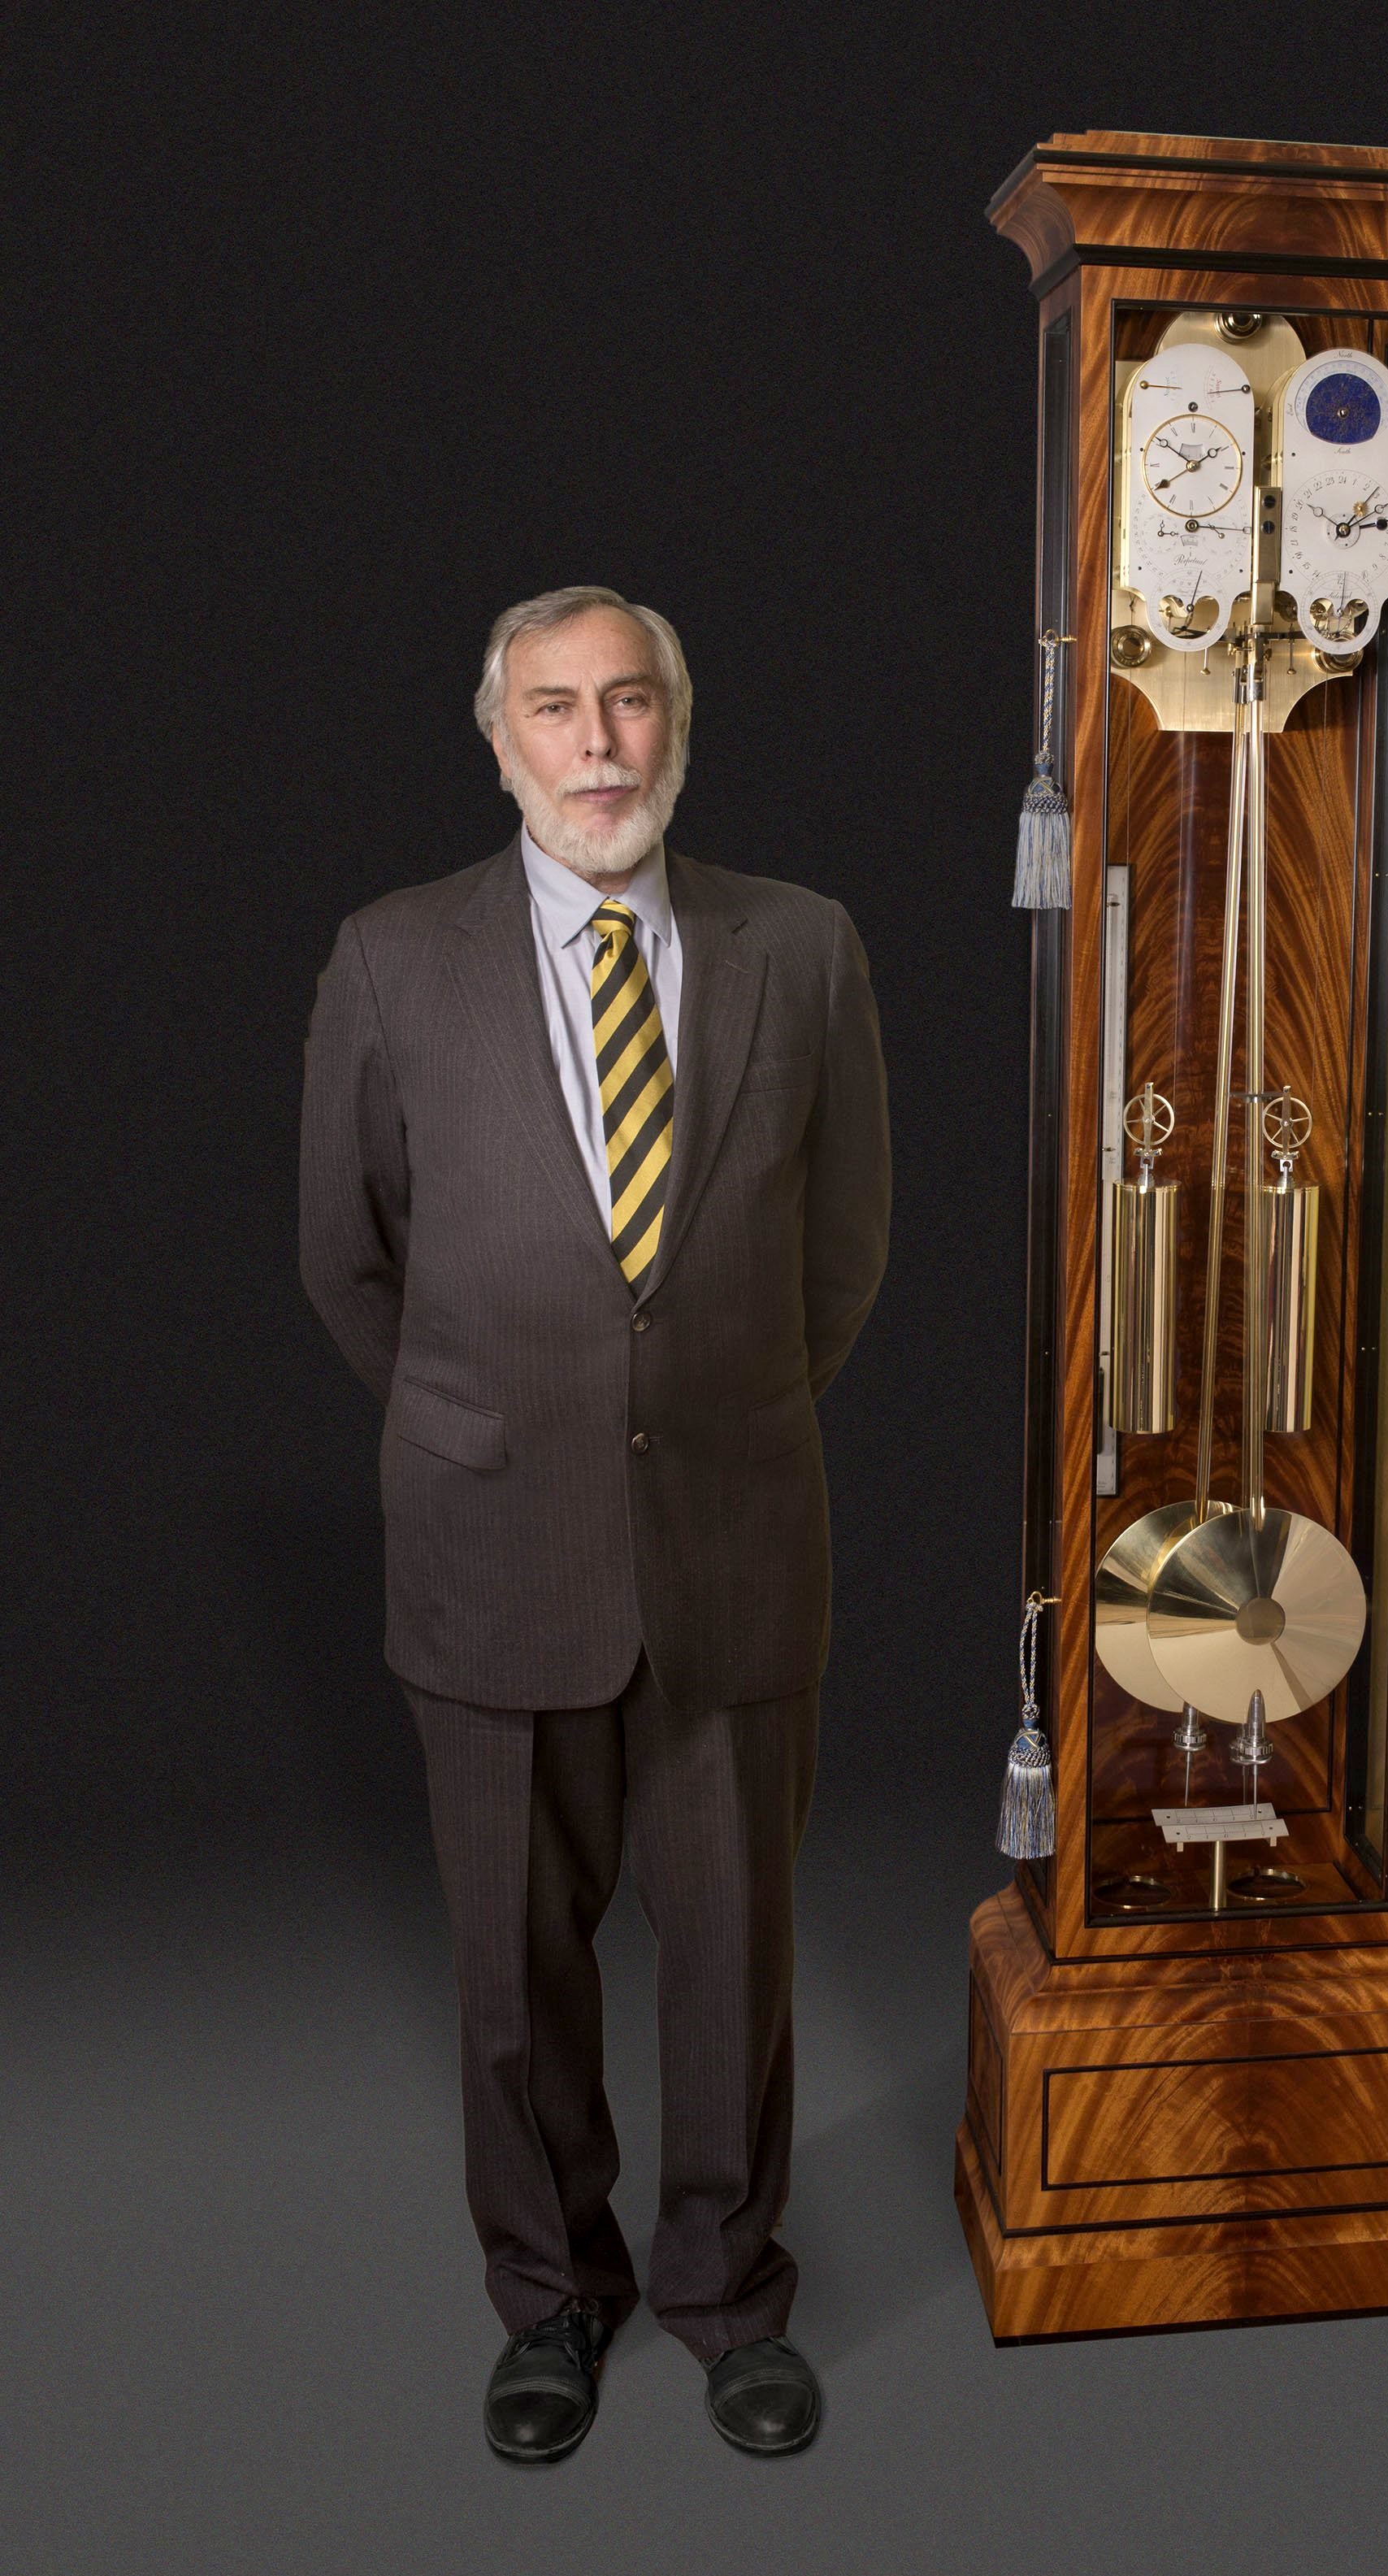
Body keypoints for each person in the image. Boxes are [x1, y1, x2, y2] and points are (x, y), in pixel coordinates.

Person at [299, 584, 891, 2464]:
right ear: (498, 739)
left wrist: (698, 1408)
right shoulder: (391, 962)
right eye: (555, 709)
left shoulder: (800, 947)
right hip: (490, 1551)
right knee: (508, 1975)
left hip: (733, 1543)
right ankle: (552, 2299)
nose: (600, 744)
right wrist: (504, 1421)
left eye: (630, 702)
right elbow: (346, 1260)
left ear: (680, 721)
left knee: (736, 1965)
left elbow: (847, 1251)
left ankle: (727, 2295)